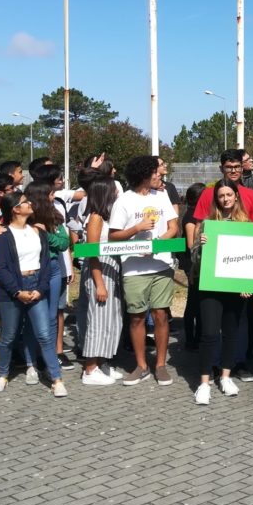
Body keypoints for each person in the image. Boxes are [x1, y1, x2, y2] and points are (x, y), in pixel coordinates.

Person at [109, 155, 179, 386]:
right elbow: (113, 235)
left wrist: (157, 243)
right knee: (137, 317)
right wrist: (137, 228)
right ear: (143, 175)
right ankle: (141, 366)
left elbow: (173, 227)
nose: (159, 175)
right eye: (155, 172)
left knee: (160, 314)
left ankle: (160, 365)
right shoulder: (123, 201)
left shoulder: (162, 196)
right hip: (133, 269)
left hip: (161, 265)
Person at [0, 191, 67, 397]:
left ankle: (56, 379)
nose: (30, 203)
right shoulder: (3, 235)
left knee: (44, 334)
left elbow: (46, 264)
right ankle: (3, 375)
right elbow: (2, 268)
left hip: (36, 285)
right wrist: (17, 291)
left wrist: (40, 289)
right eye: (25, 202)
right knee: (9, 336)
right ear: (15, 209)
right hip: (13, 288)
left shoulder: (38, 231)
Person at [193, 179, 253, 404]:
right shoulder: (207, 224)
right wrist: (200, 246)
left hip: (236, 288)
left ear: (236, 196)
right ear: (216, 199)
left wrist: (249, 283)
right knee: (209, 333)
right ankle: (203, 383)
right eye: (221, 196)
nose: (226, 199)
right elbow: (194, 259)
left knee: (231, 332)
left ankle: (226, 376)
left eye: (229, 195)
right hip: (210, 286)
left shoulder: (247, 224)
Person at [77, 177, 124, 386]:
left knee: (110, 319)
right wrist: (99, 283)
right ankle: (90, 368)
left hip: (111, 268)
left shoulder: (106, 216)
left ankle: (102, 362)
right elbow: (92, 253)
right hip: (99, 270)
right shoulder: (95, 217)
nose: (116, 193)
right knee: (97, 319)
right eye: (113, 190)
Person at [25, 180, 74, 372]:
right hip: (31, 269)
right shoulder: (24, 217)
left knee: (52, 315)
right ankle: (31, 359)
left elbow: (63, 243)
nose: (54, 197)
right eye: (51, 194)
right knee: (32, 315)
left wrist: (45, 234)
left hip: (53, 268)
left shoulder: (55, 217)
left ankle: (50, 357)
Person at [192, 149, 253, 222]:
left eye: (237, 167)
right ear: (221, 169)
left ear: (242, 168)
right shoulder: (207, 194)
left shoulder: (252, 195)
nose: (233, 171)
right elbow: (198, 227)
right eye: (229, 167)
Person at [179, 183, 207, 351]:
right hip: (192, 264)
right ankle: (191, 340)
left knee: (197, 302)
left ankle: (197, 337)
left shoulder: (195, 215)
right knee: (193, 303)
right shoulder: (190, 218)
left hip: (196, 263)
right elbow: (191, 244)